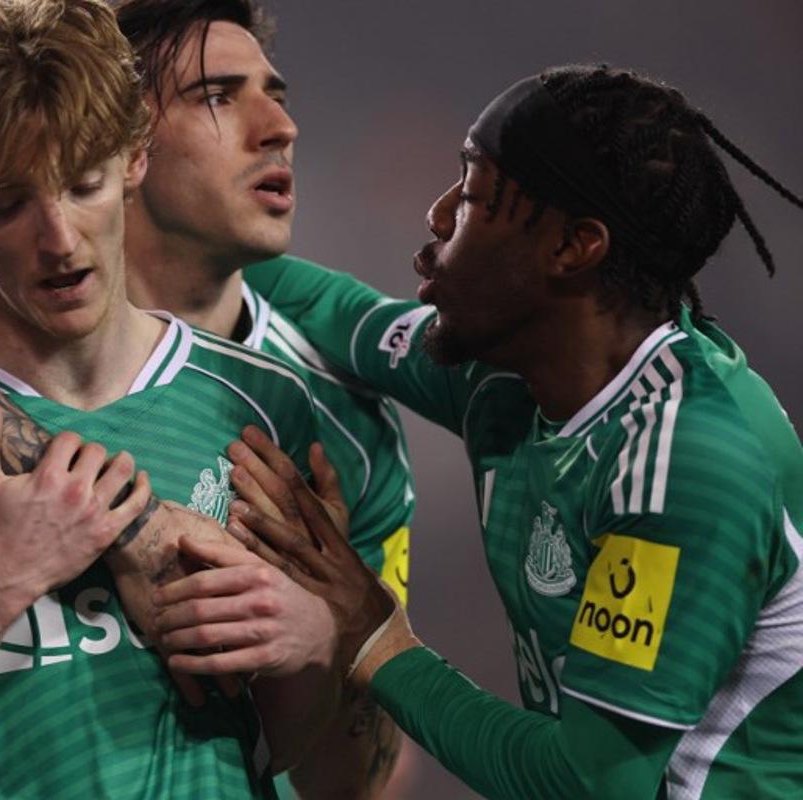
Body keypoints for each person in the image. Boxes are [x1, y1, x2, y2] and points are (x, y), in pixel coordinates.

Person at [0, 1, 414, 796]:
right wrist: (126, 526)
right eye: (217, 95)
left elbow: (357, 783)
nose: (279, 127)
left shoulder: (325, 416)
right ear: (135, 139)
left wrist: (329, 638)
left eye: (277, 93)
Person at [155, 64, 803, 798]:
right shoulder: (514, 372)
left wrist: (375, 633)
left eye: (470, 196)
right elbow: (334, 311)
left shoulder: (689, 459)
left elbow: (587, 784)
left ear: (571, 248)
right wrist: (136, 241)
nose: (436, 215)